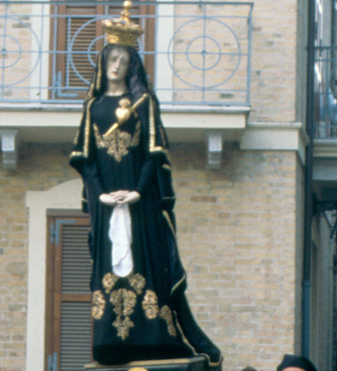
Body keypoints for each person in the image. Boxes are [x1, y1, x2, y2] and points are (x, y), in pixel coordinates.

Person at [70, 3, 221, 366]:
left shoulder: (143, 103)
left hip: (140, 202)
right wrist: (102, 194)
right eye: (112, 58)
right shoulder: (92, 108)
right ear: (104, 61)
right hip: (108, 203)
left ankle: (153, 335)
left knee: (145, 264)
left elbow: (155, 153)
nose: (117, 65)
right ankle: (111, 340)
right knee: (111, 268)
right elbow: (84, 158)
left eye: (123, 59)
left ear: (131, 63)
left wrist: (137, 191)